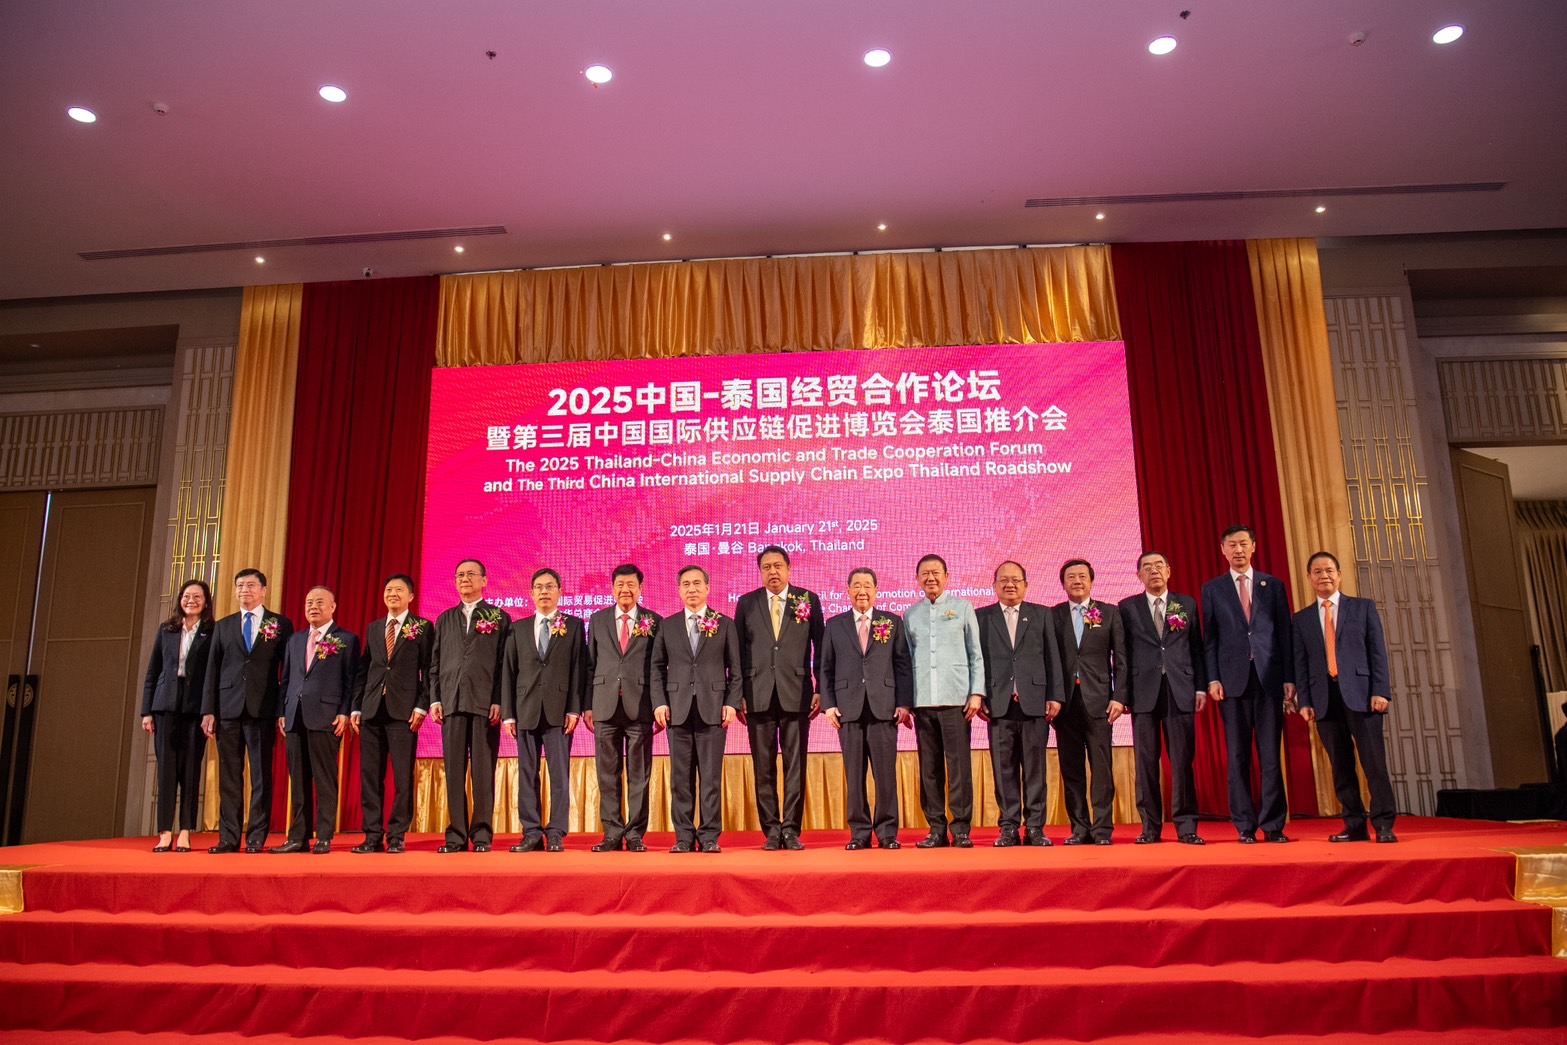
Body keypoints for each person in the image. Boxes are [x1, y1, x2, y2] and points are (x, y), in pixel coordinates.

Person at [1291, 551, 1398, 843]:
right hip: (1324, 700)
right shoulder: (1301, 619)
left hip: (1363, 696)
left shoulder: (1363, 608)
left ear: (1339, 575)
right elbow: (1300, 663)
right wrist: (1305, 701)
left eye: (1329, 570)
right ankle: (1354, 825)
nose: (1324, 575)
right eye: (1317, 571)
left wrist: (1380, 691)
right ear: (1309, 578)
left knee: (1374, 763)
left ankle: (1384, 824)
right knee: (1340, 766)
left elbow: (1377, 653)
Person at [1201, 525, 1295, 844]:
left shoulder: (1273, 585)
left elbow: (1285, 635)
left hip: (1269, 679)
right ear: (1222, 550)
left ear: (1253, 546)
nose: (1238, 550)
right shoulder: (1213, 589)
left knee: (1270, 756)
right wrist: (1213, 678)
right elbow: (1210, 639)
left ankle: (1273, 825)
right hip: (1232, 683)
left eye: (1243, 543)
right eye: (1232, 545)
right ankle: (1244, 824)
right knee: (1238, 756)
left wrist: (1289, 678)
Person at [735, 545, 824, 851]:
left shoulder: (807, 599)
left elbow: (821, 647)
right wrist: (738, 694)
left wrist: (820, 688)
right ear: (760, 572)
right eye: (766, 567)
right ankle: (771, 830)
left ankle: (791, 830)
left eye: (778, 566)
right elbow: (738, 653)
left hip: (797, 694)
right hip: (756, 695)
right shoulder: (747, 603)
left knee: (795, 766)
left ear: (788, 568)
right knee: (763, 767)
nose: (772, 571)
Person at [1117, 552, 1207, 845]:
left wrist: (1200, 688)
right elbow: (1122, 655)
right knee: (1146, 762)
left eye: (1159, 566)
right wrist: (1122, 693)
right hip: (1143, 691)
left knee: (1182, 760)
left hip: (1180, 688)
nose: (1153, 571)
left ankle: (1186, 826)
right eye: (1147, 567)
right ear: (1139, 576)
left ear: (1169, 571)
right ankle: (1150, 827)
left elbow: (1196, 648)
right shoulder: (1127, 607)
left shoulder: (1186, 604)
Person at [820, 568, 913, 850]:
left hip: (884, 708)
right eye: (857, 586)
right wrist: (829, 705)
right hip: (848, 710)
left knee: (885, 775)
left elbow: (903, 665)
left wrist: (903, 703)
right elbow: (825, 668)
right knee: (854, 774)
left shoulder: (891, 622)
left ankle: (887, 832)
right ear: (848, 591)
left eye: (867, 585)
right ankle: (859, 832)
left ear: (876, 591)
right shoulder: (835, 625)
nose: (862, 591)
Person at [202, 568, 293, 854]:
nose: (245, 590)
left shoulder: (280, 624)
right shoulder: (223, 626)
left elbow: (288, 671)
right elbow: (212, 670)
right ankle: (228, 837)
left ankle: (256, 836)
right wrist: (208, 711)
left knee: (261, 776)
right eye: (240, 585)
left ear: (263, 591)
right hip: (227, 709)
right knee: (230, 776)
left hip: (263, 709)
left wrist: (282, 709)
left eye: (251, 585)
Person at [651, 565, 741, 853]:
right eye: (686, 584)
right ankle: (684, 837)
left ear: (707, 588)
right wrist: (660, 702)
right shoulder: (667, 625)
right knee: (681, 779)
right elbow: (656, 668)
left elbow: (736, 670)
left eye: (697, 583)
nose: (692, 589)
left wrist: (731, 703)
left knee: (711, 778)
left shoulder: (724, 624)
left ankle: (710, 836)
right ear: (679, 590)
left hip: (713, 710)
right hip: (677, 711)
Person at [977, 561, 1062, 847]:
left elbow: (1052, 657)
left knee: (1036, 770)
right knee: (1004, 770)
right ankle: (1009, 827)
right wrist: (979, 695)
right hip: (998, 704)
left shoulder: (1042, 614)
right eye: (1003, 580)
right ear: (994, 585)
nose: (1010, 584)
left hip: (1035, 703)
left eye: (1015, 580)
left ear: (1026, 585)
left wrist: (1055, 695)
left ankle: (1035, 827)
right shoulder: (982, 617)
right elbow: (976, 660)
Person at [429, 559, 511, 853]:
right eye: (460, 575)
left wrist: (499, 699)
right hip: (451, 702)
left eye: (471, 574)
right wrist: (435, 698)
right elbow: (435, 664)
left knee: (482, 772)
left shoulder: (498, 617)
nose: (465, 579)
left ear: (484, 581)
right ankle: (456, 836)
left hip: (484, 704)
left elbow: (504, 665)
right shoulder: (445, 619)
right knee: (454, 772)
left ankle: (482, 835)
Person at [502, 568, 586, 853]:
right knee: (527, 773)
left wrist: (574, 709)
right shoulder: (518, 628)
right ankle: (531, 832)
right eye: (539, 587)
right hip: (525, 709)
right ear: (531, 593)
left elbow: (578, 670)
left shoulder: (574, 625)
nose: (544, 592)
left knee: (559, 774)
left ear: (560, 591)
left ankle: (556, 832)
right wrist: (509, 713)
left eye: (550, 586)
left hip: (559, 712)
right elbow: (508, 672)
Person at [904, 554, 984, 849]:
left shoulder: (963, 608)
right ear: (917, 579)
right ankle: (936, 828)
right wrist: (907, 701)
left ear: (947, 577)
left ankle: (961, 828)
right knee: (930, 769)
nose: (931, 578)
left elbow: (975, 653)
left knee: (959, 767)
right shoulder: (910, 614)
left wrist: (976, 693)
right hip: (923, 701)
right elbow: (906, 661)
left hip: (956, 701)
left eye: (936, 572)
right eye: (925, 573)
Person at [272, 586, 358, 854]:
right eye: (309, 602)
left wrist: (344, 712)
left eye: (320, 602)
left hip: (326, 716)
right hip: (294, 716)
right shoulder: (295, 640)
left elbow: (350, 680)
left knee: (324, 779)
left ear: (333, 607)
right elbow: (286, 679)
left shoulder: (346, 639)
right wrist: (281, 711)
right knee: (298, 780)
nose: (313, 607)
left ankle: (324, 836)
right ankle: (298, 837)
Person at [350, 573, 432, 854]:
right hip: (372, 710)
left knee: (402, 777)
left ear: (411, 596)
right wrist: (357, 706)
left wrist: (421, 705)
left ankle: (396, 835)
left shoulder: (422, 627)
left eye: (399, 590)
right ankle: (372, 835)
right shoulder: (375, 628)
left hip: (403, 712)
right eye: (388, 590)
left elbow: (428, 670)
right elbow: (364, 669)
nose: (392, 594)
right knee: (370, 776)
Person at [583, 564, 661, 852]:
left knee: (639, 774)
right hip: (604, 706)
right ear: (612, 588)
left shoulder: (654, 620)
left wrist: (658, 705)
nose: (625, 590)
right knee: (607, 774)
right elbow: (590, 666)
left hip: (640, 705)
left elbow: (658, 667)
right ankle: (612, 833)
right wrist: (587, 706)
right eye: (620, 585)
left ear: (640, 588)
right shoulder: (598, 619)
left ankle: (636, 834)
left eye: (631, 585)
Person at [1052, 559, 1127, 845]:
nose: (1077, 581)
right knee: (1072, 770)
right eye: (1071, 577)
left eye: (1082, 576)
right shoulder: (1053, 615)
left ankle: (1103, 829)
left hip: (1100, 703)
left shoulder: (1109, 613)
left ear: (1092, 581)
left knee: (1102, 769)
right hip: (1065, 704)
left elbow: (1121, 659)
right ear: (1063, 584)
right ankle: (1080, 829)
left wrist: (1119, 697)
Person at [139, 579, 214, 852]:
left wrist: (210, 711)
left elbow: (213, 675)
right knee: (167, 772)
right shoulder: (167, 629)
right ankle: (165, 832)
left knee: (191, 771)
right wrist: (147, 711)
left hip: (195, 708)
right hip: (165, 706)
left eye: (197, 597)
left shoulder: (212, 631)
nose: (190, 601)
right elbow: (152, 672)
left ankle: (185, 832)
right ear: (180, 600)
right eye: (186, 596)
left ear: (206, 602)